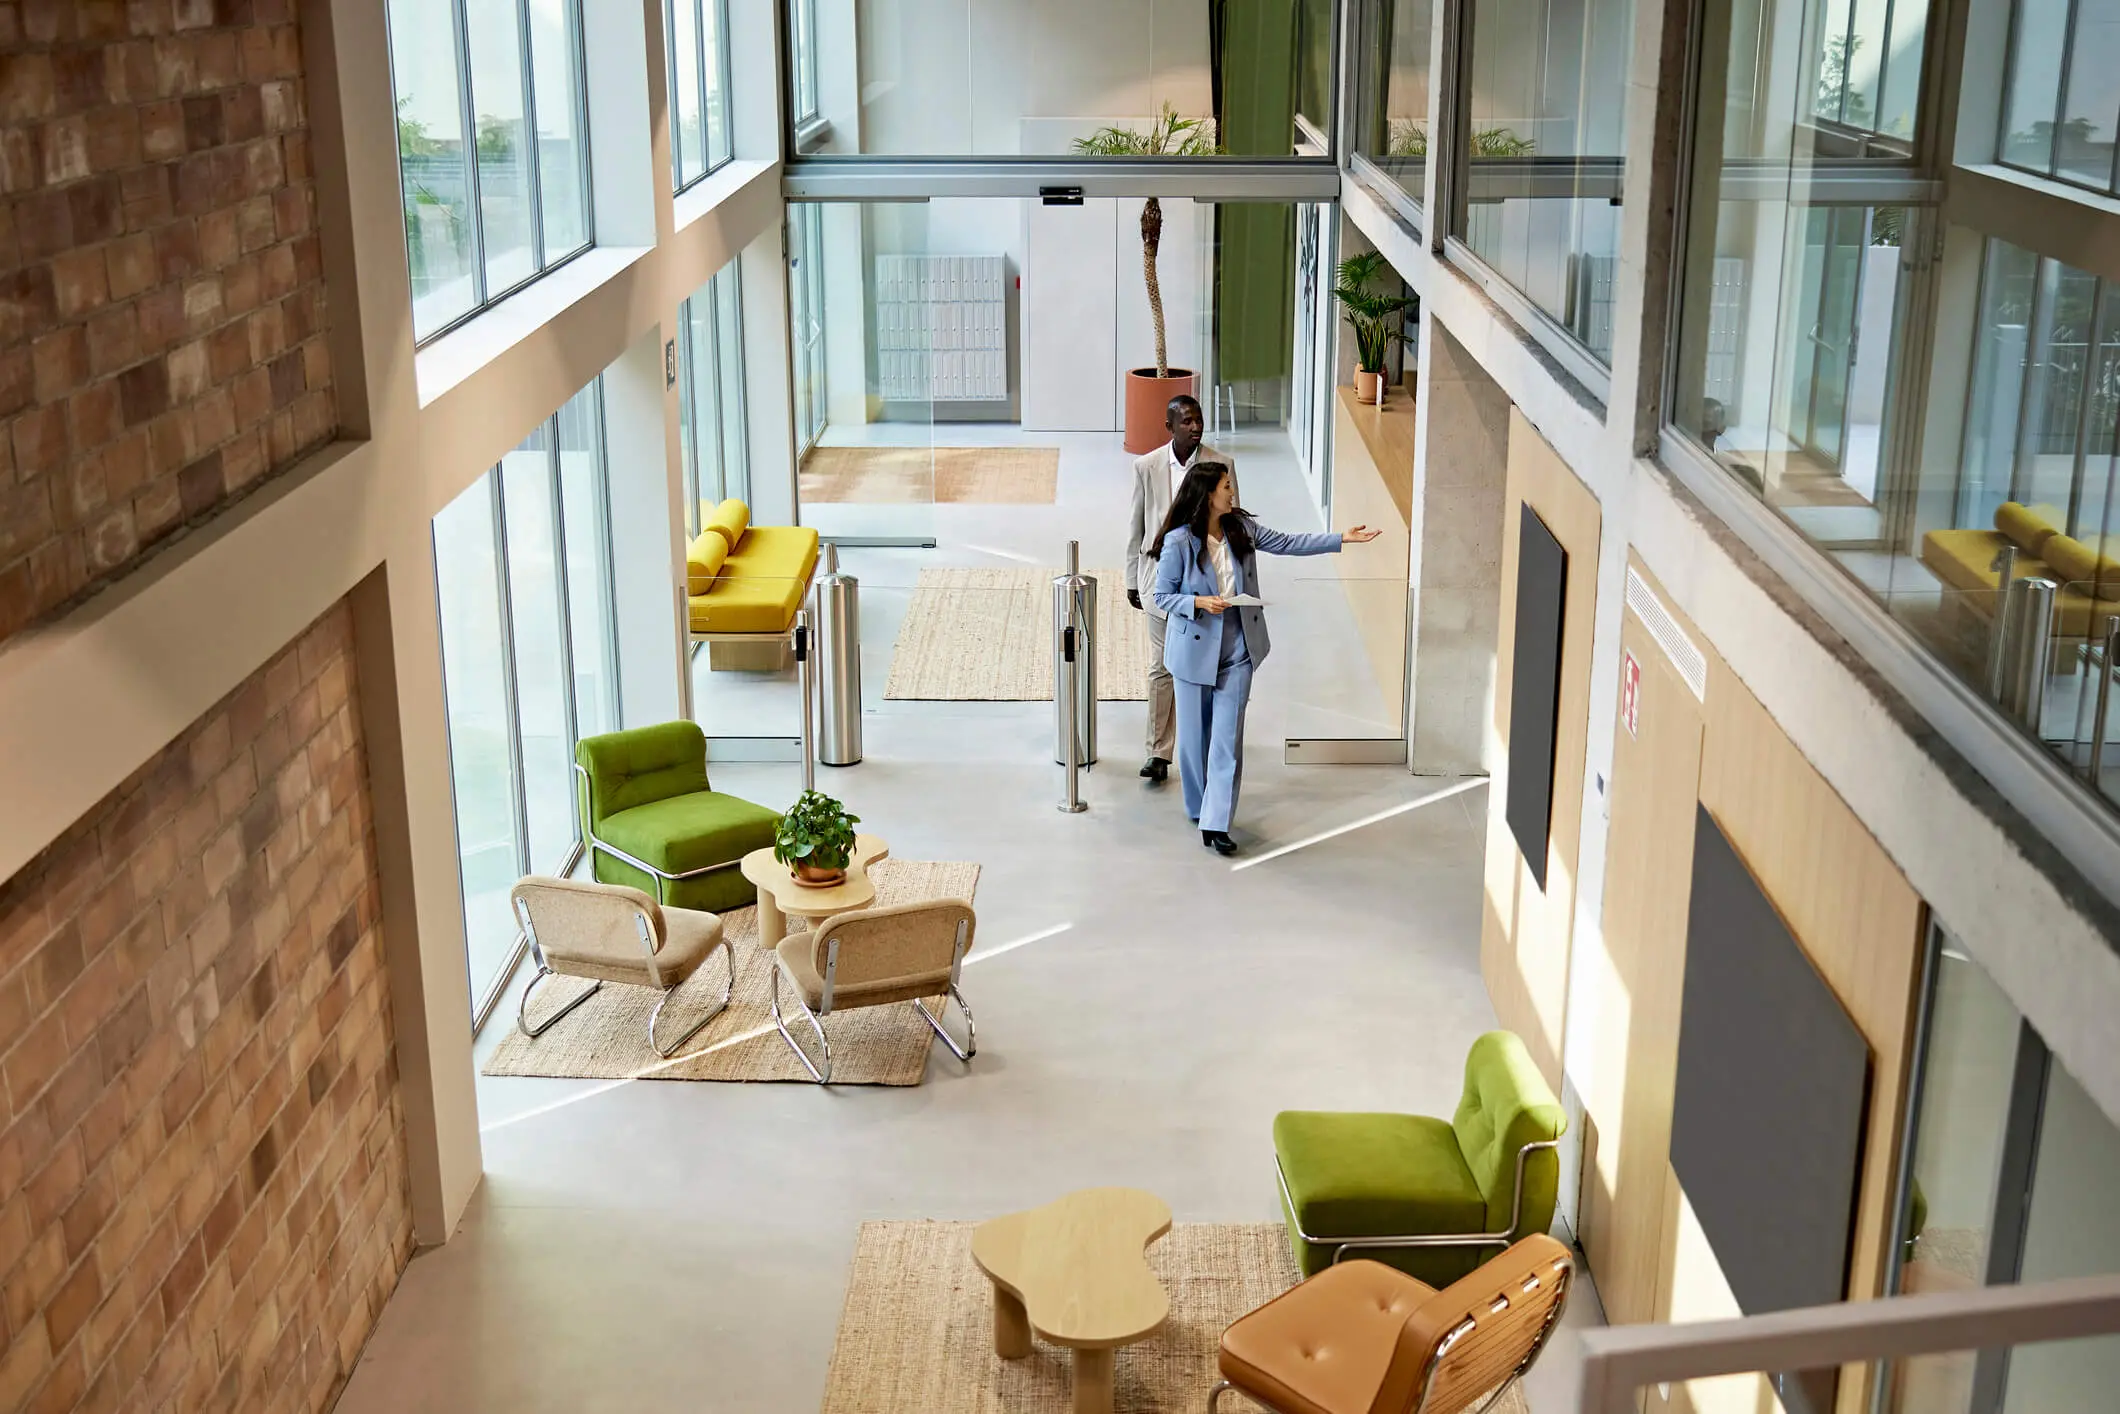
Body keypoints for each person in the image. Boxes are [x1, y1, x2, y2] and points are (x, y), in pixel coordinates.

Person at [1151, 462, 1379, 855]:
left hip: (1238, 650)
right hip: (1193, 652)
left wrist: (1341, 538)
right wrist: (1197, 601)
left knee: (1226, 740)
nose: (1232, 492)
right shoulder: (1178, 542)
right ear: (1207, 494)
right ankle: (1199, 806)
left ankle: (1216, 820)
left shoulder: (1242, 528)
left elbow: (1289, 542)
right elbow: (1162, 596)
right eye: (1226, 487)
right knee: (1193, 741)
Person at [1125, 395, 1236, 785]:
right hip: (1159, 582)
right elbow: (1136, 526)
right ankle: (1158, 751)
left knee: (1201, 666)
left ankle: (1199, 744)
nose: (1195, 426)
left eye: (1198, 419)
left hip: (1204, 587)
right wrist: (1130, 579)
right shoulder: (1147, 466)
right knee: (1161, 666)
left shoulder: (1221, 465)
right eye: (1186, 421)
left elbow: (1234, 525)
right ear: (1169, 426)